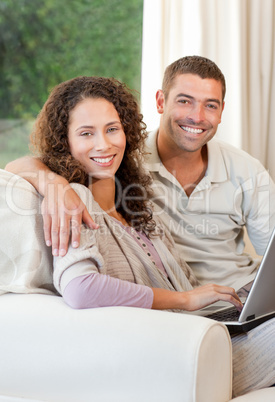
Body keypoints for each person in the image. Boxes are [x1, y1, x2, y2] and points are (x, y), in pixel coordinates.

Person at [7, 74, 275, 397]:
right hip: (173, 355)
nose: (103, 144)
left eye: (111, 129)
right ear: (64, 142)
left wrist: (230, 298)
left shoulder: (136, 206)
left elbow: (185, 285)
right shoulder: (75, 200)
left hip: (206, 333)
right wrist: (185, 300)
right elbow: (80, 289)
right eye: (86, 133)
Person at [6, 56, 275, 294]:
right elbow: (19, 167)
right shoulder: (120, 159)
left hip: (236, 294)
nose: (197, 116)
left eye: (210, 105)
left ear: (221, 112)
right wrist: (55, 185)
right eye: (185, 101)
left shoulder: (246, 170)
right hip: (192, 307)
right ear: (160, 101)